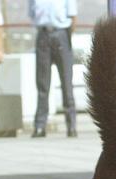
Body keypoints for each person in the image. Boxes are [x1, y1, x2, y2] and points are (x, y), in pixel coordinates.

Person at [29, 0, 78, 138]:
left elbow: (73, 17)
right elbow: (32, 14)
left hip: (61, 34)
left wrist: (66, 37)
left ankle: (71, 125)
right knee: (42, 85)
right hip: (43, 35)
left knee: (66, 83)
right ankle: (40, 126)